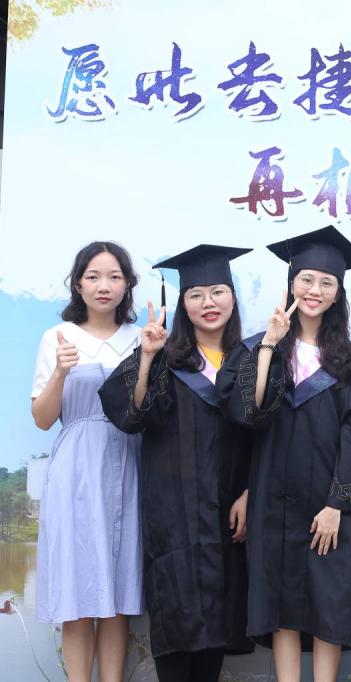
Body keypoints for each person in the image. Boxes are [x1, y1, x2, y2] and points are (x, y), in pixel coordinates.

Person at [218, 226, 351, 682]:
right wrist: (269, 343)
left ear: (338, 292)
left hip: (325, 502)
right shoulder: (258, 347)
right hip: (271, 497)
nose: (314, 290)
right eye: (306, 280)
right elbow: (247, 415)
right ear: (291, 283)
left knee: (328, 602)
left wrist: (338, 504)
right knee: (279, 601)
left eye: (326, 282)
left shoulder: (348, 359)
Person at [98, 245, 254, 682]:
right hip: (173, 513)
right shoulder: (166, 355)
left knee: (217, 625)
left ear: (233, 298)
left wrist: (249, 492)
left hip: (227, 511)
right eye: (196, 294)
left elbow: (264, 435)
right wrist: (147, 356)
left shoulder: (250, 361)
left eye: (218, 292)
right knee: (176, 619)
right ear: (183, 303)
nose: (208, 303)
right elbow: (132, 415)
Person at [31, 241, 143, 682]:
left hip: (129, 464)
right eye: (93, 277)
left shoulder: (140, 338)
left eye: (114, 276)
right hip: (76, 470)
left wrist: (152, 356)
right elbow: (43, 419)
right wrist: (60, 371)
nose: (103, 286)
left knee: (117, 594)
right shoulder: (57, 337)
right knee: (78, 593)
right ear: (77, 284)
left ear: (127, 284)